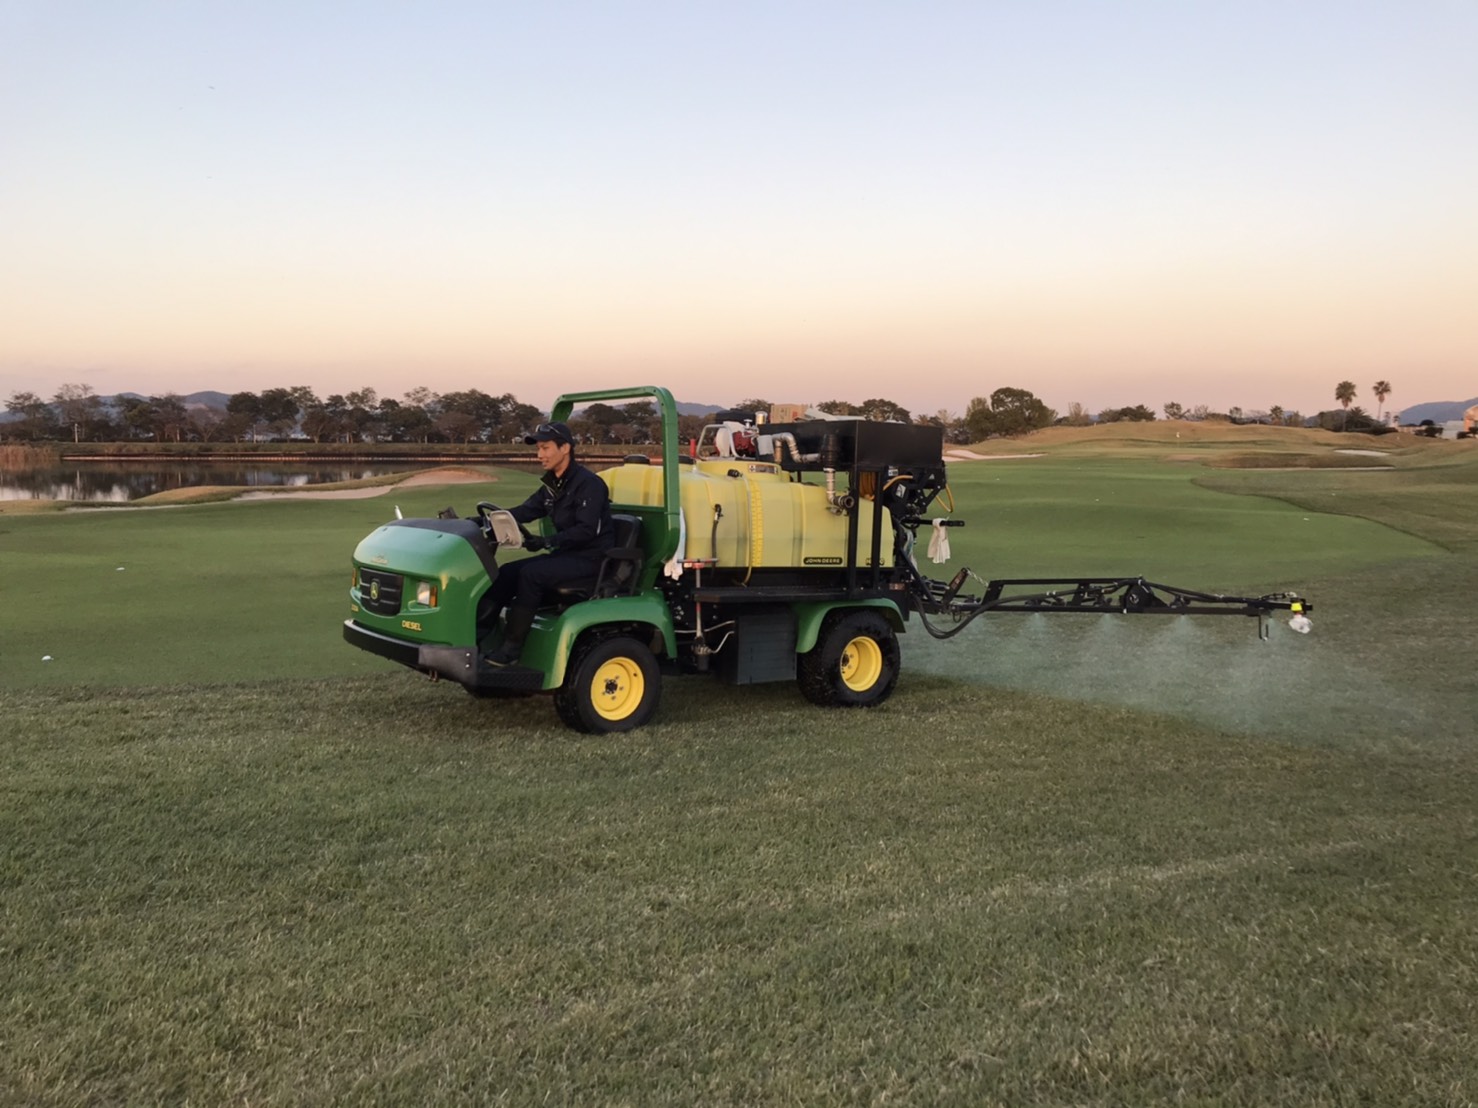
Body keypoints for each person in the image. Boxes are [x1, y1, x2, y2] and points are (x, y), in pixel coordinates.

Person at [484, 421, 615, 665]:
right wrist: (485, 520)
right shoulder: (553, 485)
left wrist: (546, 541)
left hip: (592, 559)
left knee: (532, 574)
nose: (540, 455)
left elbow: (586, 531)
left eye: (545, 448)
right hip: (566, 555)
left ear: (565, 448)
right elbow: (525, 511)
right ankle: (480, 635)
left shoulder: (589, 484)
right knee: (507, 572)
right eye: (538, 449)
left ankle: (511, 650)